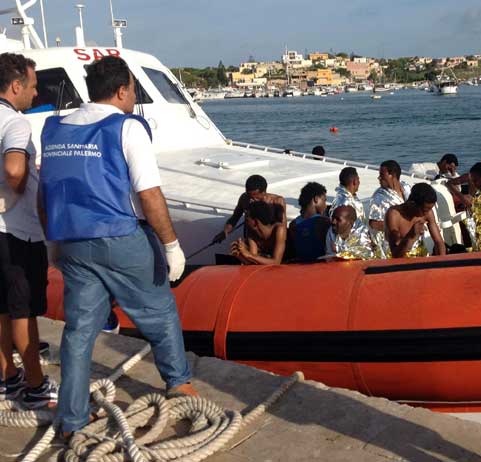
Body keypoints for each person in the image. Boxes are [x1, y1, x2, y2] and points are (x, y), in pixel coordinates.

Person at [38, 56, 194, 436]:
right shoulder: (127, 128)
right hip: (119, 237)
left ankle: (72, 418)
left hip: (72, 242)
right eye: (132, 91)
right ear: (123, 90)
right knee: (159, 311)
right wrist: (171, 245)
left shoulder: (53, 128)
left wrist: (53, 243)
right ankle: (179, 383)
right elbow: (149, 194)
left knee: (78, 332)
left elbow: (46, 192)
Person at [0, 53, 57, 409]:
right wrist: (13, 193)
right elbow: (14, 168)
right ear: (16, 85)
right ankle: (35, 385)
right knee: (24, 311)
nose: (35, 94)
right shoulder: (17, 124)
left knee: (2, 308)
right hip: (17, 232)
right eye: (33, 86)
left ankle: (7, 377)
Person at [215, 174, 286, 242]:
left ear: (264, 192)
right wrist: (225, 231)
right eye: (249, 196)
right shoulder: (244, 198)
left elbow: (282, 226)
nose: (251, 200)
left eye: (255, 197)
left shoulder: (277, 201)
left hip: (270, 242)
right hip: (251, 240)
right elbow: (235, 217)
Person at [385, 183, 446, 258]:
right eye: (424, 210)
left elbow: (438, 241)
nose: (427, 213)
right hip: (396, 261)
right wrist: (411, 236)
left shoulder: (428, 212)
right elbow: (395, 255)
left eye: (430, 209)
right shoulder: (394, 215)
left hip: (419, 259)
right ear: (412, 204)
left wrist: (442, 262)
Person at [368, 160, 411, 258]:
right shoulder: (378, 197)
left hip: (410, 242)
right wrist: (401, 228)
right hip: (390, 246)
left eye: (382, 175)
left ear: (393, 175)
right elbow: (373, 224)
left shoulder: (407, 187)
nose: (379, 178)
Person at [231, 201, 287, 265]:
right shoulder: (252, 233)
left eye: (247, 219)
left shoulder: (279, 229)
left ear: (255, 222)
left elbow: (276, 262)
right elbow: (253, 263)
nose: (245, 222)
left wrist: (248, 255)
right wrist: (240, 255)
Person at [288, 182, 330, 262]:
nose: (325, 205)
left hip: (301, 268)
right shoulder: (324, 222)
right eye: (324, 200)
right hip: (321, 268)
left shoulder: (293, 225)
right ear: (316, 199)